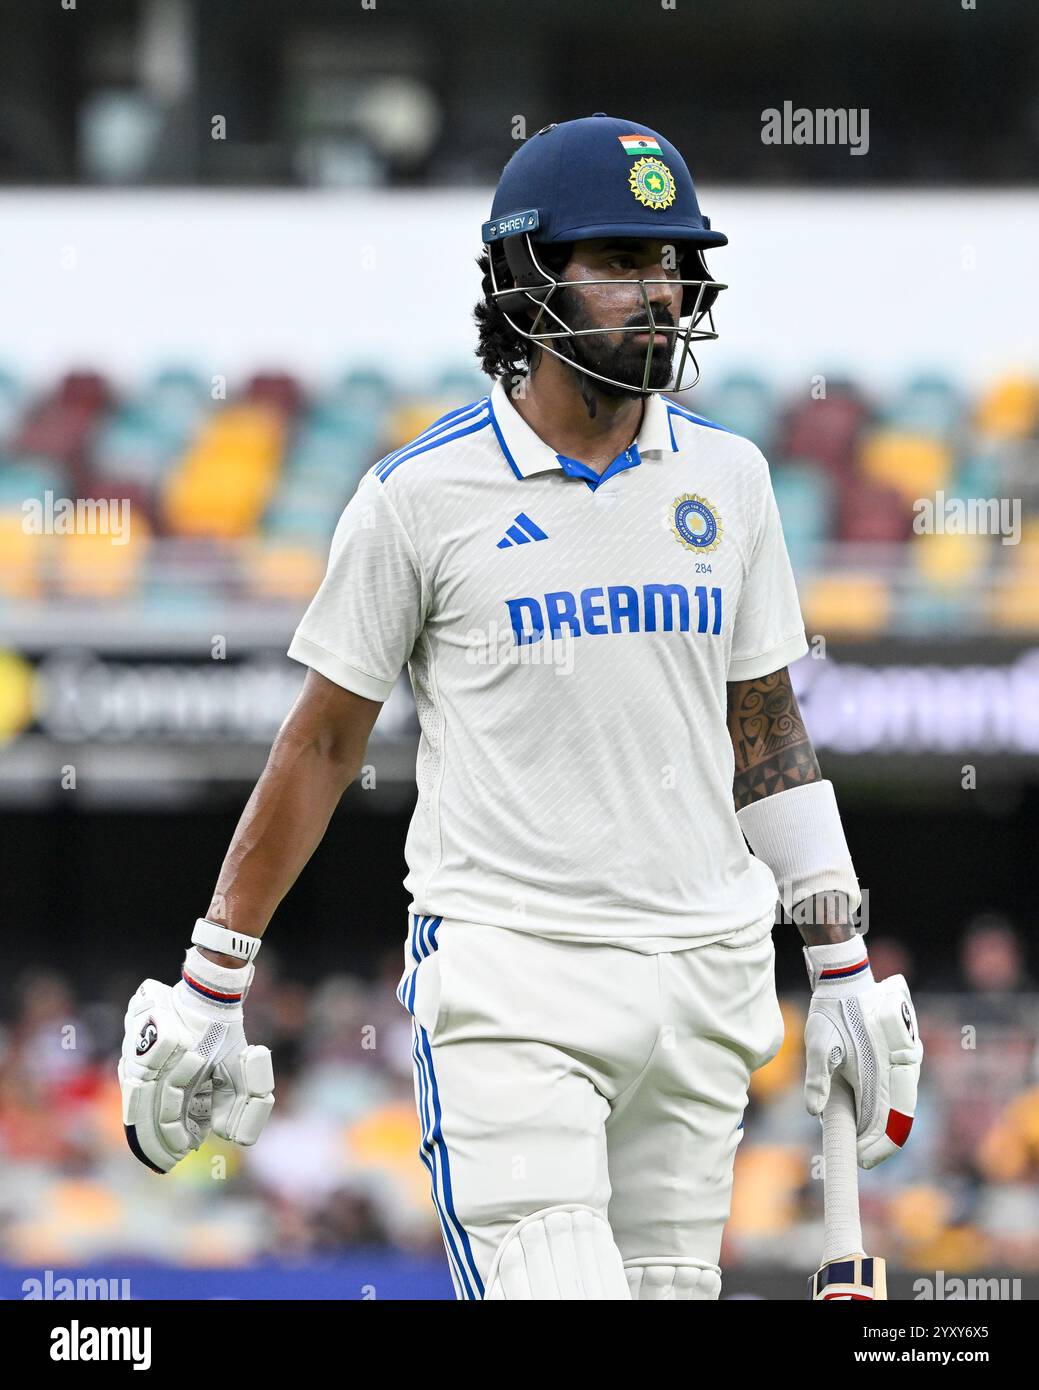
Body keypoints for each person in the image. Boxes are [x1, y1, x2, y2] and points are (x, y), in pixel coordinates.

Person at [118, 114, 922, 1300]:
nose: (657, 293)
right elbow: (323, 741)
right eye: (619, 261)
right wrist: (211, 979)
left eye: (670, 264)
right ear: (526, 281)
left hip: (707, 977)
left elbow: (766, 730)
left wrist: (843, 964)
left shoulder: (732, 479)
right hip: (514, 979)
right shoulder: (417, 497)